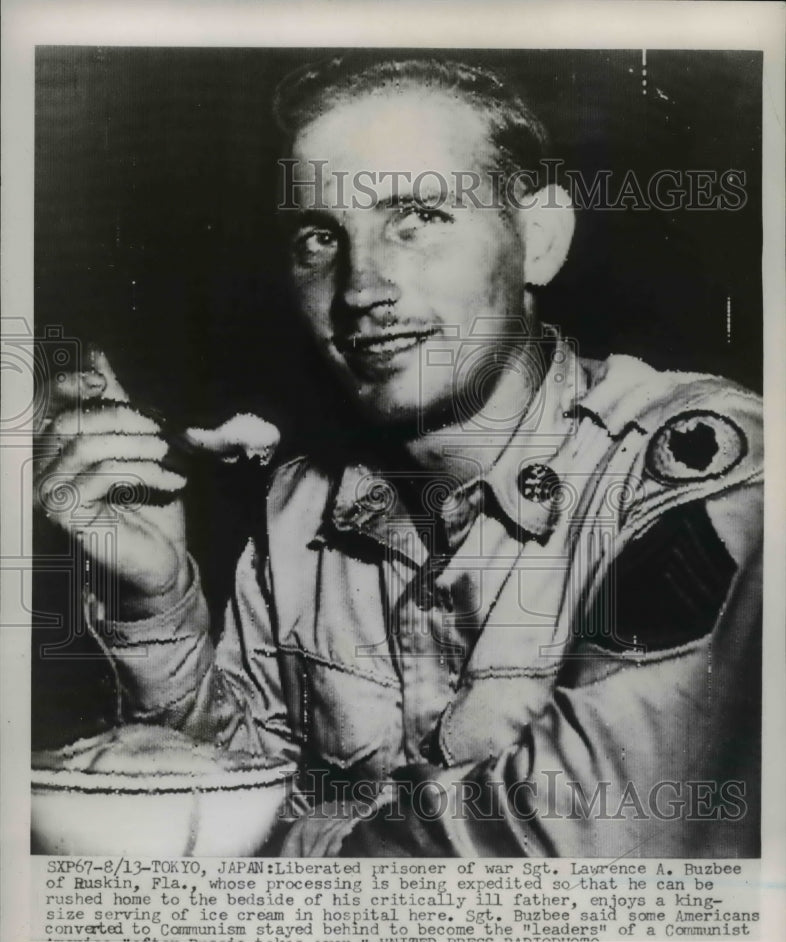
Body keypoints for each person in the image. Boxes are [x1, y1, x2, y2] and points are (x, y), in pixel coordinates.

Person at [34, 56, 763, 857]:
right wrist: (155, 604)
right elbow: (222, 788)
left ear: (542, 239)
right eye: (320, 237)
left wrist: (277, 846)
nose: (359, 290)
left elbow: (584, 840)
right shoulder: (302, 510)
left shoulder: (702, 464)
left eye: (415, 219)